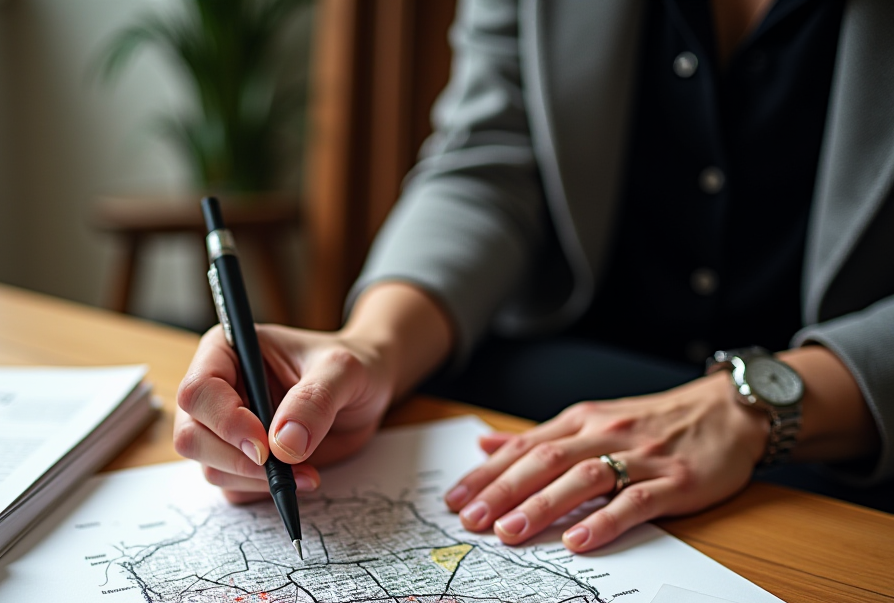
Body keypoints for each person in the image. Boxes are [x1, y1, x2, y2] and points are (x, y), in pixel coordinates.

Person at [173, 0, 893, 553]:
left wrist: (752, 407)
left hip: (848, 436)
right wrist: (371, 350)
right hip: (566, 385)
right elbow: (486, 166)